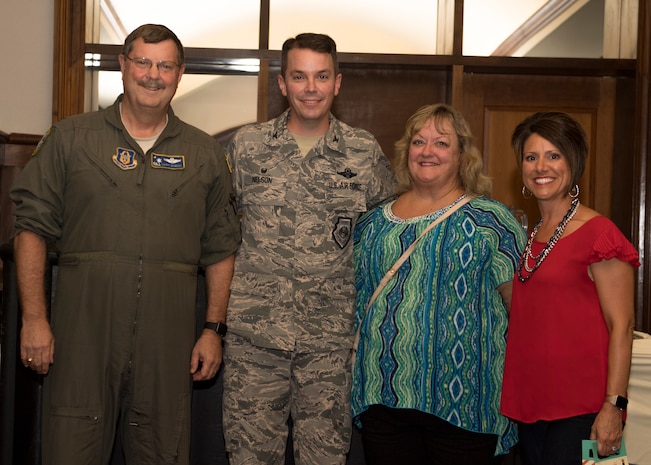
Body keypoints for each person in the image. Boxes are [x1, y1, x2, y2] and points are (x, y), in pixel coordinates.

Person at [10, 24, 241, 465]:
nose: (153, 75)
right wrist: (34, 321)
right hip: (81, 336)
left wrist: (213, 331)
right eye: (143, 62)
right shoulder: (72, 139)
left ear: (180, 73)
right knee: (70, 451)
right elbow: (30, 229)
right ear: (122, 66)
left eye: (165, 65)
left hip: (167, 344)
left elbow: (221, 248)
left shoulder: (205, 154)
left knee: (162, 452)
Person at [222, 32, 396, 465]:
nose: (311, 87)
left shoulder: (362, 151)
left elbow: (386, 234)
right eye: (299, 76)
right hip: (255, 341)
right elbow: (219, 230)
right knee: (249, 458)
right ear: (283, 83)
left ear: (338, 82)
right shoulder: (247, 147)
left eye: (321, 76)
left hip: (330, 346)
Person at [351, 103, 526, 465]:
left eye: (442, 143)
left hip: (466, 403)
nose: (428, 151)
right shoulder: (372, 225)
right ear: (407, 151)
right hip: (383, 398)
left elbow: (523, 315)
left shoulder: (491, 222)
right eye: (419, 142)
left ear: (462, 155)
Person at [500, 111, 639, 465]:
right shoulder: (531, 236)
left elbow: (621, 326)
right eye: (531, 157)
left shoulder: (600, 234)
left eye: (553, 155)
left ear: (573, 163)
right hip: (531, 408)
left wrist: (614, 406)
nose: (540, 166)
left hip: (585, 411)